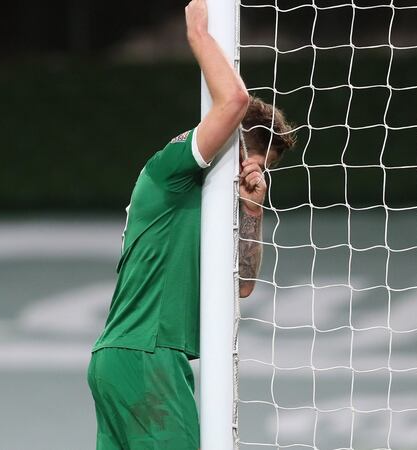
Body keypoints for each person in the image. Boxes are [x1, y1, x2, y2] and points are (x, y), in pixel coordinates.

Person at [87, 1, 296, 448]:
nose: (255, 175)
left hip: (133, 357)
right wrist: (200, 33)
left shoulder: (210, 204)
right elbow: (235, 101)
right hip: (147, 355)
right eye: (256, 164)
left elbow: (241, 286)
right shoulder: (174, 169)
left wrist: (253, 210)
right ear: (234, 142)